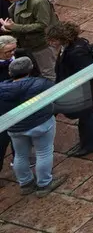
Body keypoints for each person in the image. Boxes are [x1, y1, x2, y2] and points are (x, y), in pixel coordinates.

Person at [47, 21, 93, 156]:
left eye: (53, 39)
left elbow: (84, 73)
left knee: (88, 117)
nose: (50, 42)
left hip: (82, 92)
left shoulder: (76, 51)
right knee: (87, 117)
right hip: (80, 91)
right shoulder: (72, 46)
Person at [1, 57, 62, 194]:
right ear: (30, 69)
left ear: (10, 73)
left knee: (21, 155)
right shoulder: (41, 83)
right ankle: (44, 184)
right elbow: (56, 95)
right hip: (41, 124)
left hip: (15, 127)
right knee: (43, 152)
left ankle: (25, 183)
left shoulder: (2, 89)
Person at [1, 0, 56, 77]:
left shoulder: (39, 2)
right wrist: (8, 28)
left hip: (41, 45)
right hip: (27, 44)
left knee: (48, 72)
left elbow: (43, 25)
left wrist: (15, 27)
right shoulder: (18, 0)